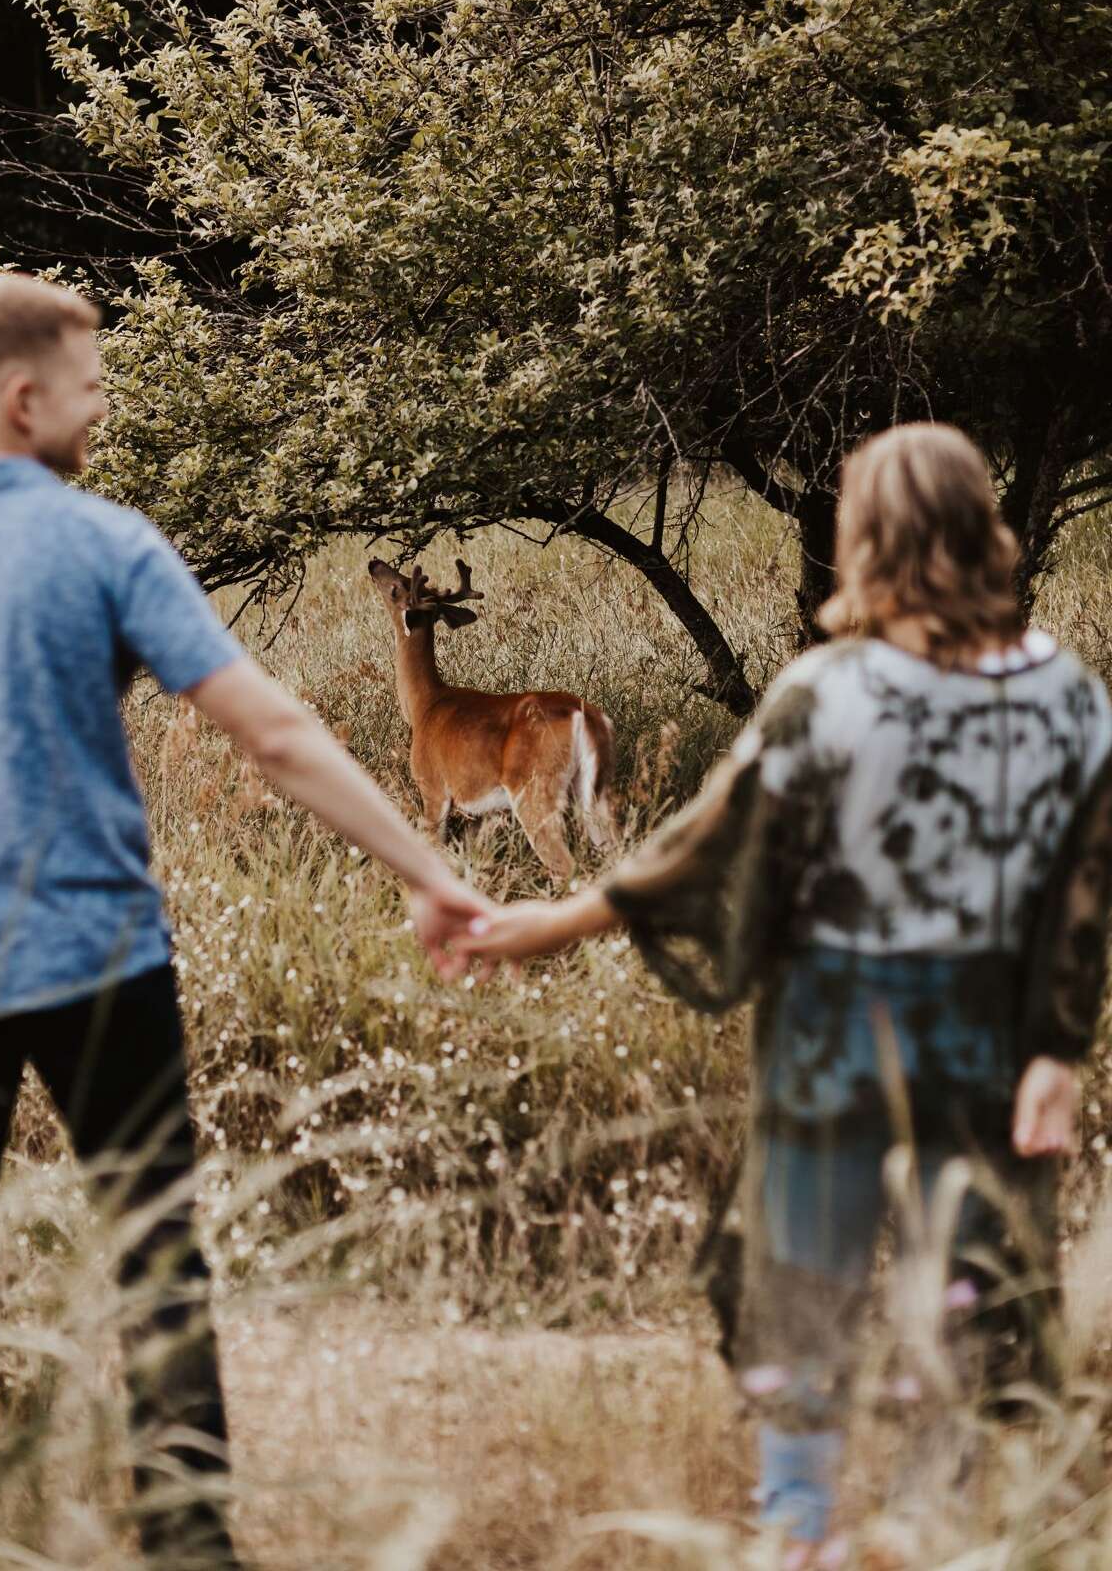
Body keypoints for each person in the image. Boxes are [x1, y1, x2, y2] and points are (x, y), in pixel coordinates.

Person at [0, 272, 491, 1565]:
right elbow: (275, 731)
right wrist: (428, 870)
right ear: (23, 397)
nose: (102, 410)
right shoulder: (103, 541)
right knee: (155, 1258)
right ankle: (187, 1546)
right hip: (101, 963)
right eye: (92, 385)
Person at [459, 423, 1112, 1567]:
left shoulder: (829, 690)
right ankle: (936, 1532)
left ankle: (798, 1535)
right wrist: (1057, 1052)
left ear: (868, 536)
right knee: (961, 1285)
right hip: (987, 1036)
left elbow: (706, 851)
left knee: (805, 1276)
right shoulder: (1068, 696)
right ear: (981, 527)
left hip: (834, 1032)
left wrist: (544, 924)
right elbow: (1083, 895)